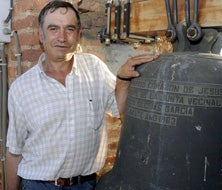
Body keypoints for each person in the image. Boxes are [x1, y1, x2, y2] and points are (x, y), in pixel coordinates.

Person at [6, 1, 158, 190]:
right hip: (38, 185)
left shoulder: (94, 68)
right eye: (53, 28)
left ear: (78, 35)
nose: (62, 37)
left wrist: (123, 80)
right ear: (40, 34)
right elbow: (14, 153)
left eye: (69, 29)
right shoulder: (21, 88)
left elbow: (118, 108)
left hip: (85, 184)